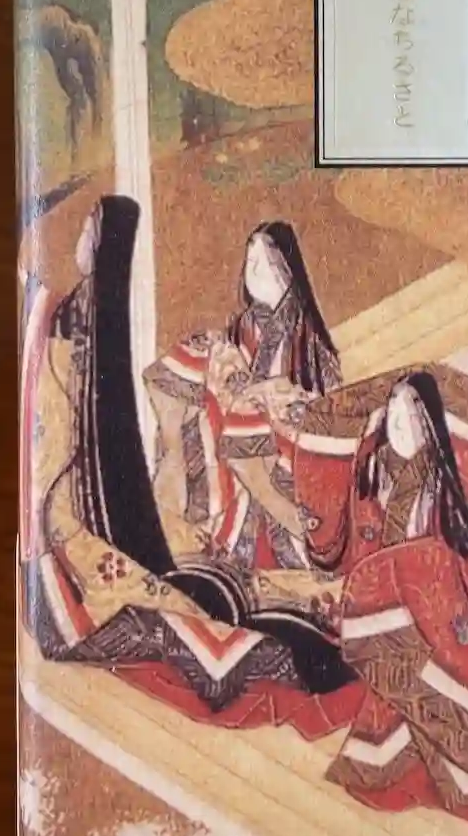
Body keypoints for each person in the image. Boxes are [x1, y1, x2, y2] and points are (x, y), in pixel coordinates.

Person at [307, 372, 468, 836]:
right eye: (394, 409)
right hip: (383, 610)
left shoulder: (438, 482)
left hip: (436, 609)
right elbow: (360, 553)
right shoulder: (370, 475)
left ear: (430, 424)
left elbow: (451, 566)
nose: (399, 420)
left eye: (412, 411)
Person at [145, 222, 342, 573]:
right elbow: (224, 382)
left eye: (264, 261)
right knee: (203, 360)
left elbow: (326, 412)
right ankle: (175, 490)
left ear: (287, 269)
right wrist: (235, 386)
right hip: (235, 437)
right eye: (250, 261)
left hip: (285, 452)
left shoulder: (311, 344)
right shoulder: (239, 330)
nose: (254, 270)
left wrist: (271, 399)